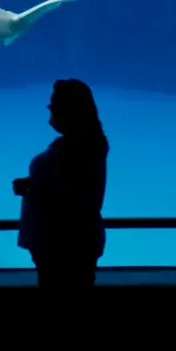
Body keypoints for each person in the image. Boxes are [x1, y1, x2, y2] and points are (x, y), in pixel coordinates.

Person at [14, 78, 110, 294]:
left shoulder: (75, 151)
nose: (51, 114)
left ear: (71, 112)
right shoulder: (90, 145)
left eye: (55, 108)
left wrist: (30, 190)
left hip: (61, 246)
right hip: (70, 243)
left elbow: (68, 201)